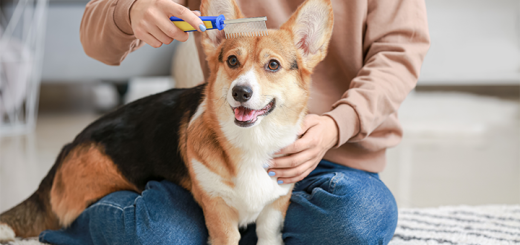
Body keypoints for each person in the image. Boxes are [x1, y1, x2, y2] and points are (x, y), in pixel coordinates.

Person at [39, 0, 430, 244]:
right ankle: (220, 223)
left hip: (330, 157)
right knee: (158, 235)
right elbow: (94, 35)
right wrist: (132, 10)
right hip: (218, 157)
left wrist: (337, 124)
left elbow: (400, 51)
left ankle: (229, 230)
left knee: (361, 217)